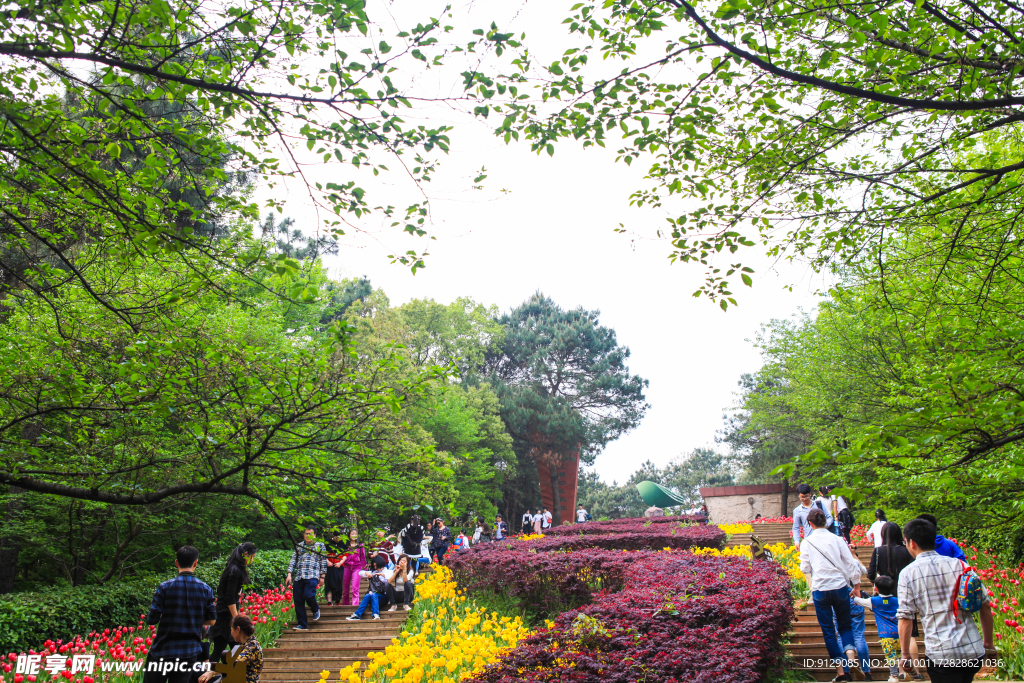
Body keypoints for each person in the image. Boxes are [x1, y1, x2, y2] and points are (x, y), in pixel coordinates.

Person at [897, 517, 995, 683]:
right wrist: (988, 644)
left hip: (941, 654)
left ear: (911, 543)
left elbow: (906, 617)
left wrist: (905, 654)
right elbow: (985, 605)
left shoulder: (908, 574)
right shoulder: (960, 565)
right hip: (972, 650)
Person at [799, 508, 866, 682]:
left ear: (810, 524)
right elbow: (851, 564)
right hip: (840, 587)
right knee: (845, 626)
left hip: (820, 590)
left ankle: (841, 673)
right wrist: (857, 587)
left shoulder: (807, 542)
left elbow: (805, 568)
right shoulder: (837, 539)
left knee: (829, 631)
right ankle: (851, 660)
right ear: (825, 522)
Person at [144, 546, 217, 683]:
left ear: (176, 563)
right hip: (188, 652)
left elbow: (152, 619)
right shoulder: (205, 589)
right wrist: (193, 619)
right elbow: (212, 621)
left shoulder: (164, 587)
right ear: (195, 563)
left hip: (162, 650)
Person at [866, 523, 920, 677]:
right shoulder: (906, 551)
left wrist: (879, 585)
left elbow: (870, 575)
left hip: (886, 598)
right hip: (905, 596)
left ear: (882, 535)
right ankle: (914, 671)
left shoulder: (878, 551)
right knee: (911, 634)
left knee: (893, 635)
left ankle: (900, 673)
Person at [209, 542, 257, 663]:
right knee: (223, 650)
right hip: (225, 616)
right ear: (246, 554)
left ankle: (226, 675)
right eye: (252, 556)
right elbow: (230, 597)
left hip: (225, 614)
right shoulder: (235, 570)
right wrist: (236, 618)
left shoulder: (235, 568)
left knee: (232, 650)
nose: (253, 560)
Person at [854, 575, 900, 683]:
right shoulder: (896, 600)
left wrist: (854, 596)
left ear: (876, 589)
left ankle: (894, 676)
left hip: (885, 634)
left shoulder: (874, 601)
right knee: (900, 654)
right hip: (899, 632)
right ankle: (906, 672)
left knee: (890, 655)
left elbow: (860, 601)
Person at [199, 614, 263, 683]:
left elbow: (235, 664)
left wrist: (212, 672)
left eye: (231, 630)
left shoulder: (252, 646)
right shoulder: (244, 645)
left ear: (238, 629)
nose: (231, 633)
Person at [285, 526, 327, 630]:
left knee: (309, 595)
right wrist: (289, 574)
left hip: (312, 575)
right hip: (299, 576)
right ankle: (302, 624)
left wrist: (322, 576)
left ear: (315, 535)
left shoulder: (320, 546)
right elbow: (293, 560)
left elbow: (323, 561)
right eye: (306, 533)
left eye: (310, 534)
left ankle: (315, 609)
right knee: (298, 601)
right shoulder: (299, 546)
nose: (308, 536)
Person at [345, 556, 389, 621]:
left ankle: (375, 614)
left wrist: (382, 575)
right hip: (373, 596)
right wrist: (366, 573)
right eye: (374, 566)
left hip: (383, 597)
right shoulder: (373, 572)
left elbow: (390, 576)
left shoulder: (387, 572)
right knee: (368, 595)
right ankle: (357, 615)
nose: (375, 568)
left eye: (376, 566)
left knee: (373, 595)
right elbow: (360, 572)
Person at [340, 529, 365, 606]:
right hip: (346, 567)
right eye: (352, 534)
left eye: (355, 534)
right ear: (349, 535)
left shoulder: (360, 545)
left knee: (355, 588)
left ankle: (355, 605)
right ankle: (345, 604)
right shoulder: (345, 545)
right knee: (345, 589)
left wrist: (364, 568)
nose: (354, 535)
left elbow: (363, 557)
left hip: (356, 567)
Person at [324, 532, 345, 607]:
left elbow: (345, 554)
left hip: (339, 566)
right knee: (329, 583)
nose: (338, 540)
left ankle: (338, 600)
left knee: (338, 583)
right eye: (337, 538)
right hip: (329, 565)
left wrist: (340, 563)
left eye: (340, 538)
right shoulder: (327, 542)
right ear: (333, 536)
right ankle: (329, 601)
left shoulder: (343, 543)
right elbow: (323, 553)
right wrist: (327, 561)